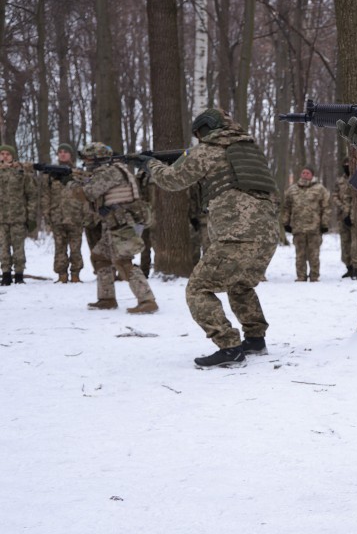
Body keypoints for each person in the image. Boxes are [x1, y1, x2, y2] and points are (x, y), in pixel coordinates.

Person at [140, 108, 279, 368]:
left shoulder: (208, 150)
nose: (199, 140)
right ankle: (255, 339)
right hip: (268, 235)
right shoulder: (249, 150)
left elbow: (172, 181)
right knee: (239, 285)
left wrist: (150, 164)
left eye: (199, 135)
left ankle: (229, 347)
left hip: (236, 236)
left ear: (205, 129)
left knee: (198, 289)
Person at [72, 143, 158, 313]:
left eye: (88, 159)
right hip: (115, 224)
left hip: (123, 224)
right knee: (100, 256)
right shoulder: (109, 171)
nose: (86, 162)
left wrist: (73, 183)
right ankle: (107, 298)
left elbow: (87, 194)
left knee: (123, 262)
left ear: (97, 159)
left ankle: (147, 300)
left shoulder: (110, 172)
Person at [40, 143, 88, 283]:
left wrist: (85, 214)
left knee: (76, 248)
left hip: (75, 216)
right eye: (60, 152)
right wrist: (47, 214)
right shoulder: (50, 174)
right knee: (59, 247)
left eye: (65, 152)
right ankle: (62, 275)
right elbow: (45, 196)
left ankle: (75, 274)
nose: (62, 154)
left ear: (70, 155)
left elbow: (86, 195)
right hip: (57, 216)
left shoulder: (78, 173)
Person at [283, 166, 331, 282]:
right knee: (300, 254)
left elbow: (326, 207)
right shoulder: (292, 189)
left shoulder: (320, 189)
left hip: (314, 227)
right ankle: (301, 276)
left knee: (314, 254)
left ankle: (314, 276)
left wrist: (325, 224)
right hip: (298, 227)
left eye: (307, 173)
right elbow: (286, 207)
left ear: (312, 175)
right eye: (303, 173)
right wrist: (286, 223)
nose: (305, 175)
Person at [0, 144, 38, 285]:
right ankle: (5, 274)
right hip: (1, 218)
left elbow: (31, 195)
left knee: (18, 248)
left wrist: (31, 216)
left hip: (18, 217)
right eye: (2, 153)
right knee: (3, 248)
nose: (5, 156)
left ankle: (19, 274)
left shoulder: (21, 173)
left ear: (12, 156)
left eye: (7, 154)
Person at [332, 161, 357, 279]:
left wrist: (350, 212)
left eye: (349, 163)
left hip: (355, 216)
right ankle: (349, 267)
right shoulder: (340, 181)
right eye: (345, 164)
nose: (347, 166)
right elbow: (334, 195)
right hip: (342, 216)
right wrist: (342, 208)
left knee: (355, 244)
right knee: (345, 243)